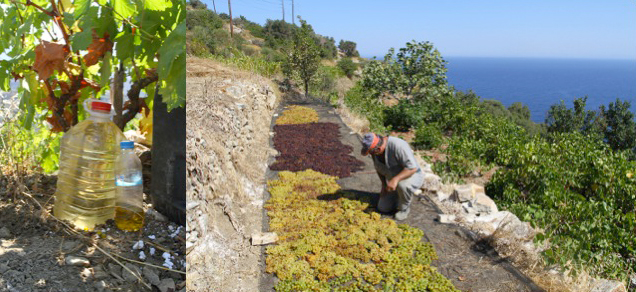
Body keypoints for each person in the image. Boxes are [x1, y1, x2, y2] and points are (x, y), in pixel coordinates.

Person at [361, 133, 423, 220]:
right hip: (393, 179)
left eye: (371, 153)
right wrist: (384, 185)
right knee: (383, 208)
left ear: (378, 149)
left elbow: (412, 168)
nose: (370, 155)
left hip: (411, 176)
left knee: (403, 185)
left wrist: (396, 179)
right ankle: (398, 196)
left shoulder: (399, 146)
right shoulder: (375, 153)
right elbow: (379, 169)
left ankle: (404, 208)